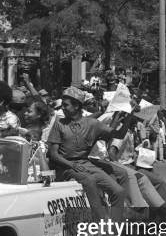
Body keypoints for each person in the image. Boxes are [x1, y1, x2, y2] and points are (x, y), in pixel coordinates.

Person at [48, 86, 126, 222]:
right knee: (89, 181)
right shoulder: (59, 124)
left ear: (77, 106)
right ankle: (102, 223)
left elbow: (117, 134)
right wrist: (71, 165)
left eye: (66, 105)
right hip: (65, 167)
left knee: (118, 191)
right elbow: (53, 154)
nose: (63, 108)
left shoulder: (92, 123)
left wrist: (129, 117)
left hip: (86, 164)